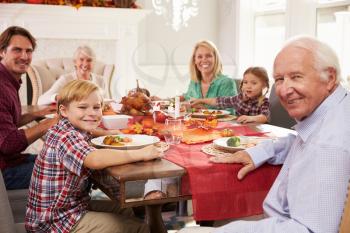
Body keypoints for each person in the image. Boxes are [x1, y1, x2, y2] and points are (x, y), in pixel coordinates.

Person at [178, 36, 350, 233]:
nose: (284, 90)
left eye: (296, 76)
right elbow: (299, 141)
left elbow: (308, 230)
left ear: (330, 78)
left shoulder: (328, 146)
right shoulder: (335, 113)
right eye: (279, 79)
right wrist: (258, 152)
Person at [25, 80, 160, 233]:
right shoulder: (66, 137)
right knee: (139, 229)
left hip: (70, 207)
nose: (92, 113)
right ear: (64, 111)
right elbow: (95, 159)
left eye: (97, 107)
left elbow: (89, 135)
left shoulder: (70, 129)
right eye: (83, 107)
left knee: (127, 211)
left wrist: (106, 133)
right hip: (54, 221)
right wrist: (141, 153)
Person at [0, 26, 57, 190]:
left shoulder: (8, 79)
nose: (24, 56)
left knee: (58, 157)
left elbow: (8, 124)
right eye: (17, 50)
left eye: (29, 51)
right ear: (2, 52)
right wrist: (51, 122)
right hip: (4, 171)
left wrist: (36, 114)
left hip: (10, 161)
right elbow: (9, 143)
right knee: (71, 168)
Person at [151, 40, 237, 109]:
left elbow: (230, 114)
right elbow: (186, 97)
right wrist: (163, 101)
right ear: (195, 61)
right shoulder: (195, 82)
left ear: (216, 59)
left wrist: (201, 108)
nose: (204, 60)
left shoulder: (227, 83)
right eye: (199, 57)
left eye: (208, 56)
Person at [191, 66, 270, 124]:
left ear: (264, 85)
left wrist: (250, 118)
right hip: (242, 132)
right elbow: (218, 101)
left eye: (254, 83)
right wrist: (201, 100)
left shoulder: (264, 101)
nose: (248, 86)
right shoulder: (239, 98)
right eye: (245, 82)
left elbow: (264, 117)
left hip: (257, 134)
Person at [37, 45, 106, 105]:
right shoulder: (66, 79)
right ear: (75, 62)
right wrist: (57, 97)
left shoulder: (100, 80)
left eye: (89, 60)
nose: (85, 64)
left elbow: (106, 101)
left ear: (93, 63)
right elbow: (41, 101)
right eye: (81, 59)